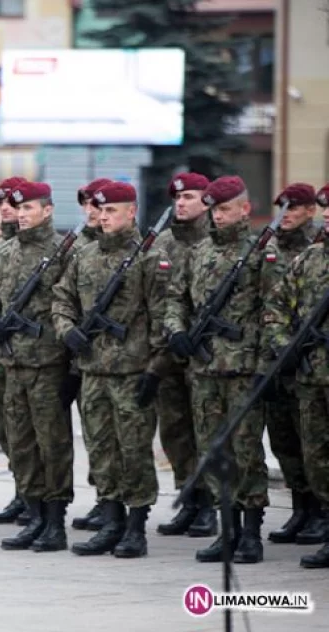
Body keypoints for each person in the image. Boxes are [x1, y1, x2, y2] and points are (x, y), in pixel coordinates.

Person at [165, 175, 284, 565]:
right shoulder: (197, 252)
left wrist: (264, 362)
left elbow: (275, 310)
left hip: (243, 369)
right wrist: (178, 330)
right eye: (214, 210)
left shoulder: (262, 253)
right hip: (204, 368)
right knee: (212, 451)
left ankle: (251, 533)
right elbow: (175, 299)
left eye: (227, 209)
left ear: (245, 209)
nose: (219, 217)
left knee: (246, 451)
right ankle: (226, 528)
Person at [52, 181, 170, 559]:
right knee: (101, 450)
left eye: (112, 211)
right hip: (93, 372)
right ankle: (110, 521)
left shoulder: (148, 257)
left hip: (132, 371)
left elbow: (162, 317)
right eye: (100, 211)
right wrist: (68, 331)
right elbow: (62, 298)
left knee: (134, 451)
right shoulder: (83, 255)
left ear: (131, 212)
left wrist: (155, 370)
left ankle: (136, 527)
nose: (103, 217)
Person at [0, 181, 74, 553]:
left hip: (49, 362)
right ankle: (33, 514)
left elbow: (74, 303)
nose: (21, 215)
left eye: (29, 209)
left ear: (47, 210)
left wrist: (73, 367)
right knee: (20, 443)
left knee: (52, 444)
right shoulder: (3, 251)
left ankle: (54, 521)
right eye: (17, 209)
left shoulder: (65, 251)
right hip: (12, 361)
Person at [151, 173, 217, 538]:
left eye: (189, 197)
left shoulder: (214, 241)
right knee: (174, 430)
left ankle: (207, 504)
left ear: (207, 201)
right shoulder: (161, 243)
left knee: (204, 429)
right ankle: (187, 497)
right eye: (178, 198)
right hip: (166, 349)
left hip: (205, 352)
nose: (182, 203)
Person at [267, 181, 329, 568]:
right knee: (318, 459)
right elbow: (276, 306)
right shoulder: (310, 259)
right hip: (311, 376)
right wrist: (284, 346)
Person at [0, 177, 31, 528]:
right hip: (4, 354)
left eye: (11, 204)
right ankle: (22, 491)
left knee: (37, 433)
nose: (4, 209)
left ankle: (37, 499)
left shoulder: (45, 249)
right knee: (9, 429)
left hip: (36, 355)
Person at [69, 177, 111, 532]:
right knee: (95, 433)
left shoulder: (138, 249)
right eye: (87, 206)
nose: (91, 212)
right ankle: (103, 500)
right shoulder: (77, 247)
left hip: (121, 360)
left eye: (98, 206)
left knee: (121, 438)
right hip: (82, 359)